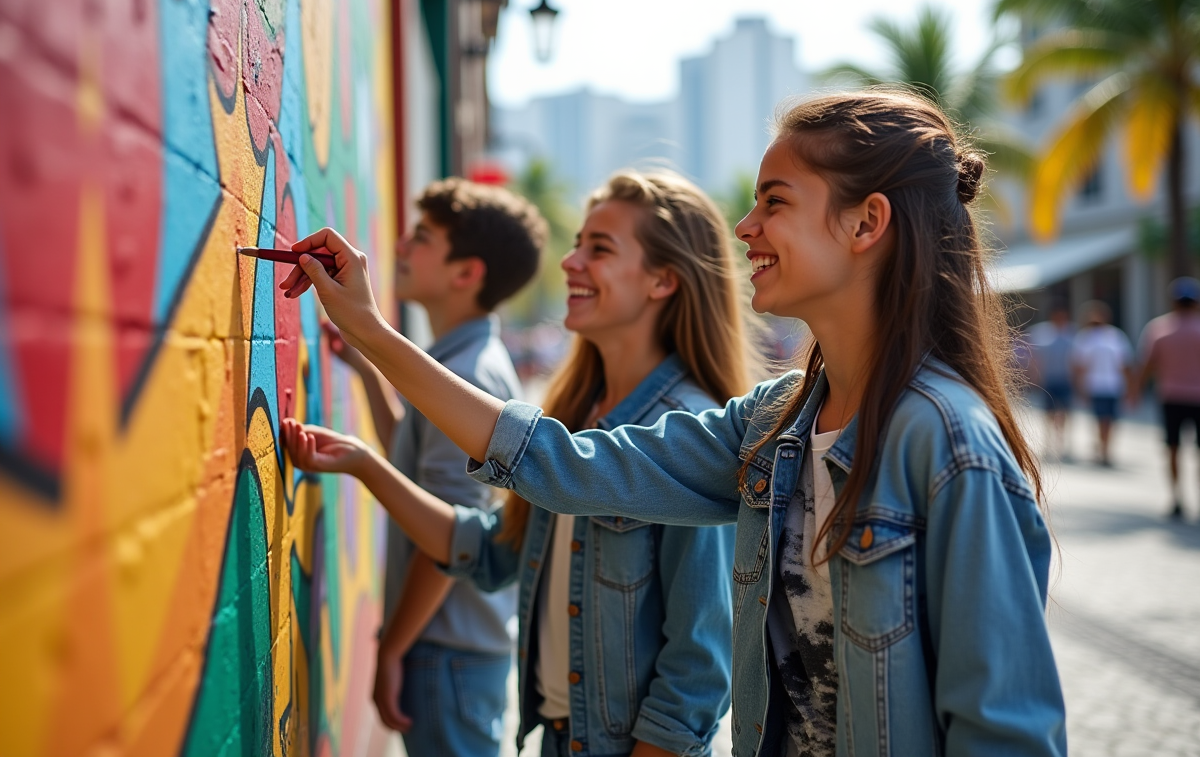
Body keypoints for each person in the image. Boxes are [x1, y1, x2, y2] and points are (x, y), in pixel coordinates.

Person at [279, 90, 1067, 756]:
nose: (746, 226)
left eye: (775, 201)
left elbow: (1005, 733)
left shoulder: (951, 444)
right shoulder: (771, 425)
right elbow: (558, 463)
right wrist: (374, 334)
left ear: (866, 225)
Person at [286, 171, 745, 757]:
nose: (571, 262)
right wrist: (365, 465)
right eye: (577, 242)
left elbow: (699, 670)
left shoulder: (687, 432)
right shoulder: (576, 415)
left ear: (663, 280)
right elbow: (493, 552)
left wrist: (370, 330)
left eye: (598, 249)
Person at [321, 178, 546, 756]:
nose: (399, 246)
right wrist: (370, 371)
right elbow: (416, 457)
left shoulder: (468, 373)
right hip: (453, 649)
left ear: (465, 273)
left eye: (422, 237)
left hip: (444, 651)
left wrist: (392, 647)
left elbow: (452, 533)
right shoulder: (460, 364)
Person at [1133, 276, 1200, 519]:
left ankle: (1177, 497)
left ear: (1173, 301)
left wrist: (1135, 392)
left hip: (1171, 396)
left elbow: (1147, 365)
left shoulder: (1159, 329)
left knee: (1173, 448)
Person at [1071, 300, 1134, 467]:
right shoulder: (1085, 337)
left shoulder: (1115, 336)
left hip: (1113, 385)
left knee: (1111, 420)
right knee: (1100, 419)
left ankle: (1105, 448)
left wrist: (1130, 387)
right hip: (1095, 385)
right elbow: (1079, 366)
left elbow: (1124, 364)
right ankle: (1103, 449)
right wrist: (1080, 386)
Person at [1027, 303, 1076, 461]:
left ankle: (1062, 443)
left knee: (1065, 412)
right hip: (1049, 379)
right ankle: (1048, 443)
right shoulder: (1041, 333)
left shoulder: (1073, 334)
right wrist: (1035, 376)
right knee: (1049, 412)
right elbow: (1035, 358)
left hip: (1066, 379)